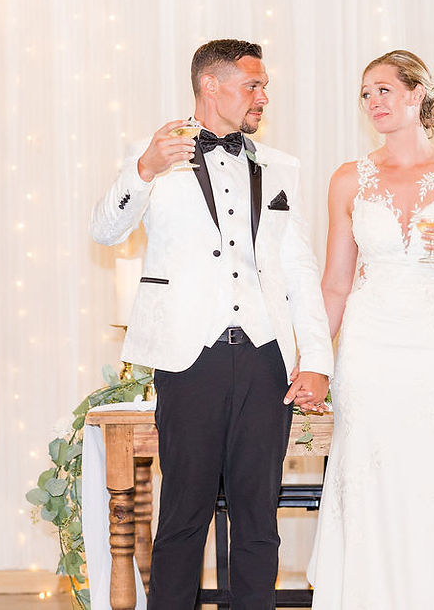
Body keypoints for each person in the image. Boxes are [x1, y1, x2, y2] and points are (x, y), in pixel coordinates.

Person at [89, 39, 333, 610]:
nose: (263, 97)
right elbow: (105, 231)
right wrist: (144, 169)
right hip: (186, 356)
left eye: (264, 86)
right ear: (211, 86)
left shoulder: (282, 167)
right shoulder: (151, 157)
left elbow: (299, 267)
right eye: (253, 85)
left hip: (263, 356)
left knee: (258, 516)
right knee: (182, 515)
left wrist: (316, 359)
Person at [306, 50, 434, 609]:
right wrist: (315, 359)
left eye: (384, 90)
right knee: (367, 476)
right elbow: (336, 284)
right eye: (365, 93)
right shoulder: (348, 180)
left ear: (418, 94)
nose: (373, 102)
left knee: (432, 477)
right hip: (369, 351)